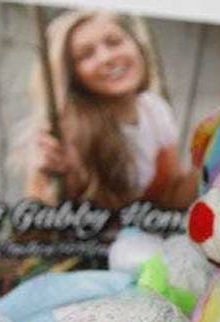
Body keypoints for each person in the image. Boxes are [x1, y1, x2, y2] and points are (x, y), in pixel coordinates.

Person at [18, 11, 199, 211]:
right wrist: (39, 177)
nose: (106, 58)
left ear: (137, 46)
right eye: (85, 55)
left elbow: (171, 199)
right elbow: (37, 224)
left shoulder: (153, 109)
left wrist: (213, 156)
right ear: (73, 76)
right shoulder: (65, 134)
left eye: (114, 42)